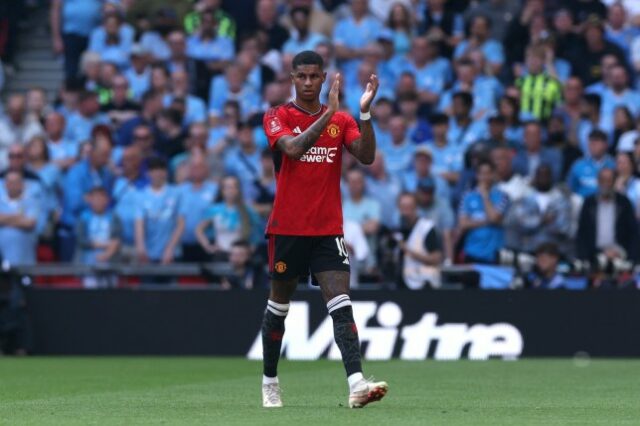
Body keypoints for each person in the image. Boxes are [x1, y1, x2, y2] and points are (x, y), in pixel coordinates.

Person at [259, 51, 387, 408]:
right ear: (292, 78)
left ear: (323, 77)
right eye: (302, 76)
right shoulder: (277, 116)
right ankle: (270, 379)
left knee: (340, 301)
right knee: (279, 305)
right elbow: (294, 149)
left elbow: (366, 156)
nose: (308, 83)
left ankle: (357, 382)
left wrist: (364, 113)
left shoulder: (342, 119)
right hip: (287, 228)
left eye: (315, 77)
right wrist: (328, 114)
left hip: (327, 228)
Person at [576, 167, 640, 263]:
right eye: (603, 180)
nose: (605, 184)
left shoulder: (624, 203)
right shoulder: (589, 204)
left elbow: (633, 233)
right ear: (598, 181)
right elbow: (582, 233)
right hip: (594, 256)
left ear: (614, 182)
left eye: (609, 181)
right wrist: (584, 258)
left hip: (620, 255)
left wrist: (631, 259)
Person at [134, 157, 185, 266]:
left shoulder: (176, 193)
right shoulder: (141, 196)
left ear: (166, 173)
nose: (157, 173)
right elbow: (139, 223)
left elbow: (180, 224)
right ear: (148, 173)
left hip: (172, 255)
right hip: (149, 254)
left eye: (160, 170)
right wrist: (141, 247)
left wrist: (171, 248)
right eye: (153, 170)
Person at [458, 159, 509, 263]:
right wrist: (487, 221)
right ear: (477, 175)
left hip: (494, 255)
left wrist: (485, 196)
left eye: (488, 173)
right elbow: (463, 224)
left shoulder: (502, 196)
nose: (484, 177)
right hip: (471, 253)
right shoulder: (467, 196)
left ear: (493, 175)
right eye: (481, 173)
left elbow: (494, 218)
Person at [395, 192, 443, 289]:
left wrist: (409, 252)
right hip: (403, 284)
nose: (406, 210)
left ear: (416, 207)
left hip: (425, 285)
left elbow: (436, 258)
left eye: (409, 206)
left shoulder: (426, 228)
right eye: (403, 206)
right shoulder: (397, 229)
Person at [0, 171, 40, 266]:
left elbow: (30, 223)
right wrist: (18, 217)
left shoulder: (32, 201)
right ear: (5, 185)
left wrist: (4, 219)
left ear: (22, 185)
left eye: (15, 182)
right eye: (9, 182)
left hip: (24, 259)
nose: (12, 185)